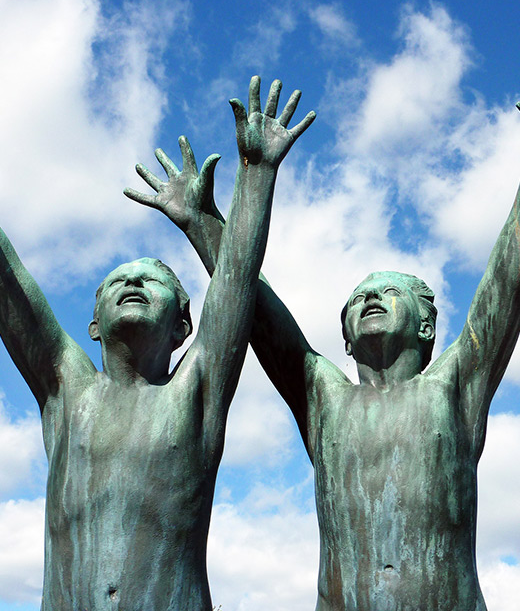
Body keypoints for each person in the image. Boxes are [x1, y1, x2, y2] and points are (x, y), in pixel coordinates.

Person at [129, 78, 520, 610]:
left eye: (388, 293)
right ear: (346, 340)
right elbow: (259, 311)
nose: (370, 300)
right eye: (359, 298)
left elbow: (508, 283)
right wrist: (203, 223)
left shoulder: (454, 386)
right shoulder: (325, 398)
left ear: (427, 328)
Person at [0, 76, 314, 611]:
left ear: (182, 327)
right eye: (118, 281)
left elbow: (236, 280)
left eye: (153, 281)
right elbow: (8, 282)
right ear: (94, 324)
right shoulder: (66, 387)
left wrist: (256, 175)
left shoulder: (194, 393)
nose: (133, 284)